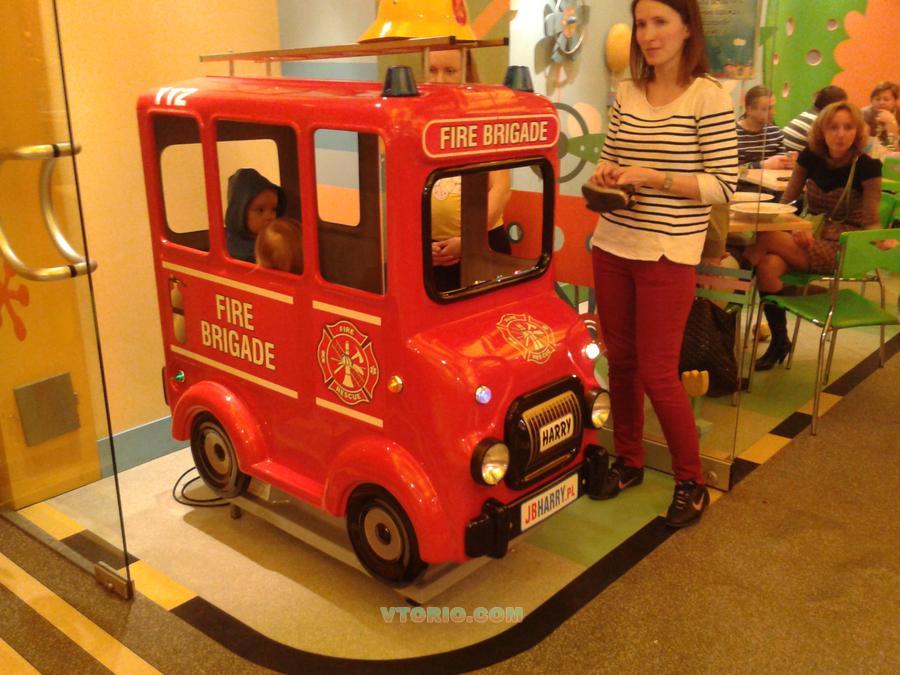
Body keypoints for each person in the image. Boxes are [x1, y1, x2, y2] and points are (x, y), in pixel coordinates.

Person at [588, 0, 737, 527]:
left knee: (658, 371)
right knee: (621, 362)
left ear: (687, 27)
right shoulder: (628, 91)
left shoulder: (708, 97)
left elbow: (723, 185)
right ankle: (629, 461)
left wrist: (654, 177)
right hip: (613, 243)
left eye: (660, 22)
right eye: (641, 24)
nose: (648, 35)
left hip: (668, 251)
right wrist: (607, 174)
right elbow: (611, 157)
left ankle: (691, 480)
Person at [744, 101, 883, 370]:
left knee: (765, 238)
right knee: (768, 265)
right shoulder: (810, 156)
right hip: (809, 236)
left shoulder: (868, 167)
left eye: (848, 127)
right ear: (822, 130)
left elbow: (872, 222)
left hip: (842, 245)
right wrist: (796, 226)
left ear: (857, 131)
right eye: (833, 127)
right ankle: (780, 341)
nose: (841, 134)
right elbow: (787, 203)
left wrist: (881, 239)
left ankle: (736, 283)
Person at [426, 48, 511, 291]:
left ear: (467, 73)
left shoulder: (485, 118)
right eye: (432, 70)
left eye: (450, 71)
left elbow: (501, 189)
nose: (439, 80)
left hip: (483, 244)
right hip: (433, 250)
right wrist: (420, 244)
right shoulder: (418, 120)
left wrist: (469, 239)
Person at [224, 168, 285, 263]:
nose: (270, 217)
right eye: (260, 210)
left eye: (274, 209)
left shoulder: (273, 240)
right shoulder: (235, 251)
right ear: (240, 213)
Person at [736, 85, 794, 170]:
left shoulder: (775, 132)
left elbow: (782, 164)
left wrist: (789, 163)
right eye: (766, 109)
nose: (773, 112)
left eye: (773, 107)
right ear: (749, 109)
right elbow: (731, 169)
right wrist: (761, 165)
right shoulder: (733, 134)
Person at [782, 85, 848, 154]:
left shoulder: (807, 113)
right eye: (842, 107)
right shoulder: (821, 123)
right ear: (833, 107)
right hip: (791, 159)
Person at [862, 81, 899, 150]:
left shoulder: (898, 114)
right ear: (871, 101)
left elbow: (895, 147)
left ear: (895, 101)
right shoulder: (865, 113)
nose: (881, 102)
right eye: (877, 99)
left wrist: (891, 122)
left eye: (886, 99)